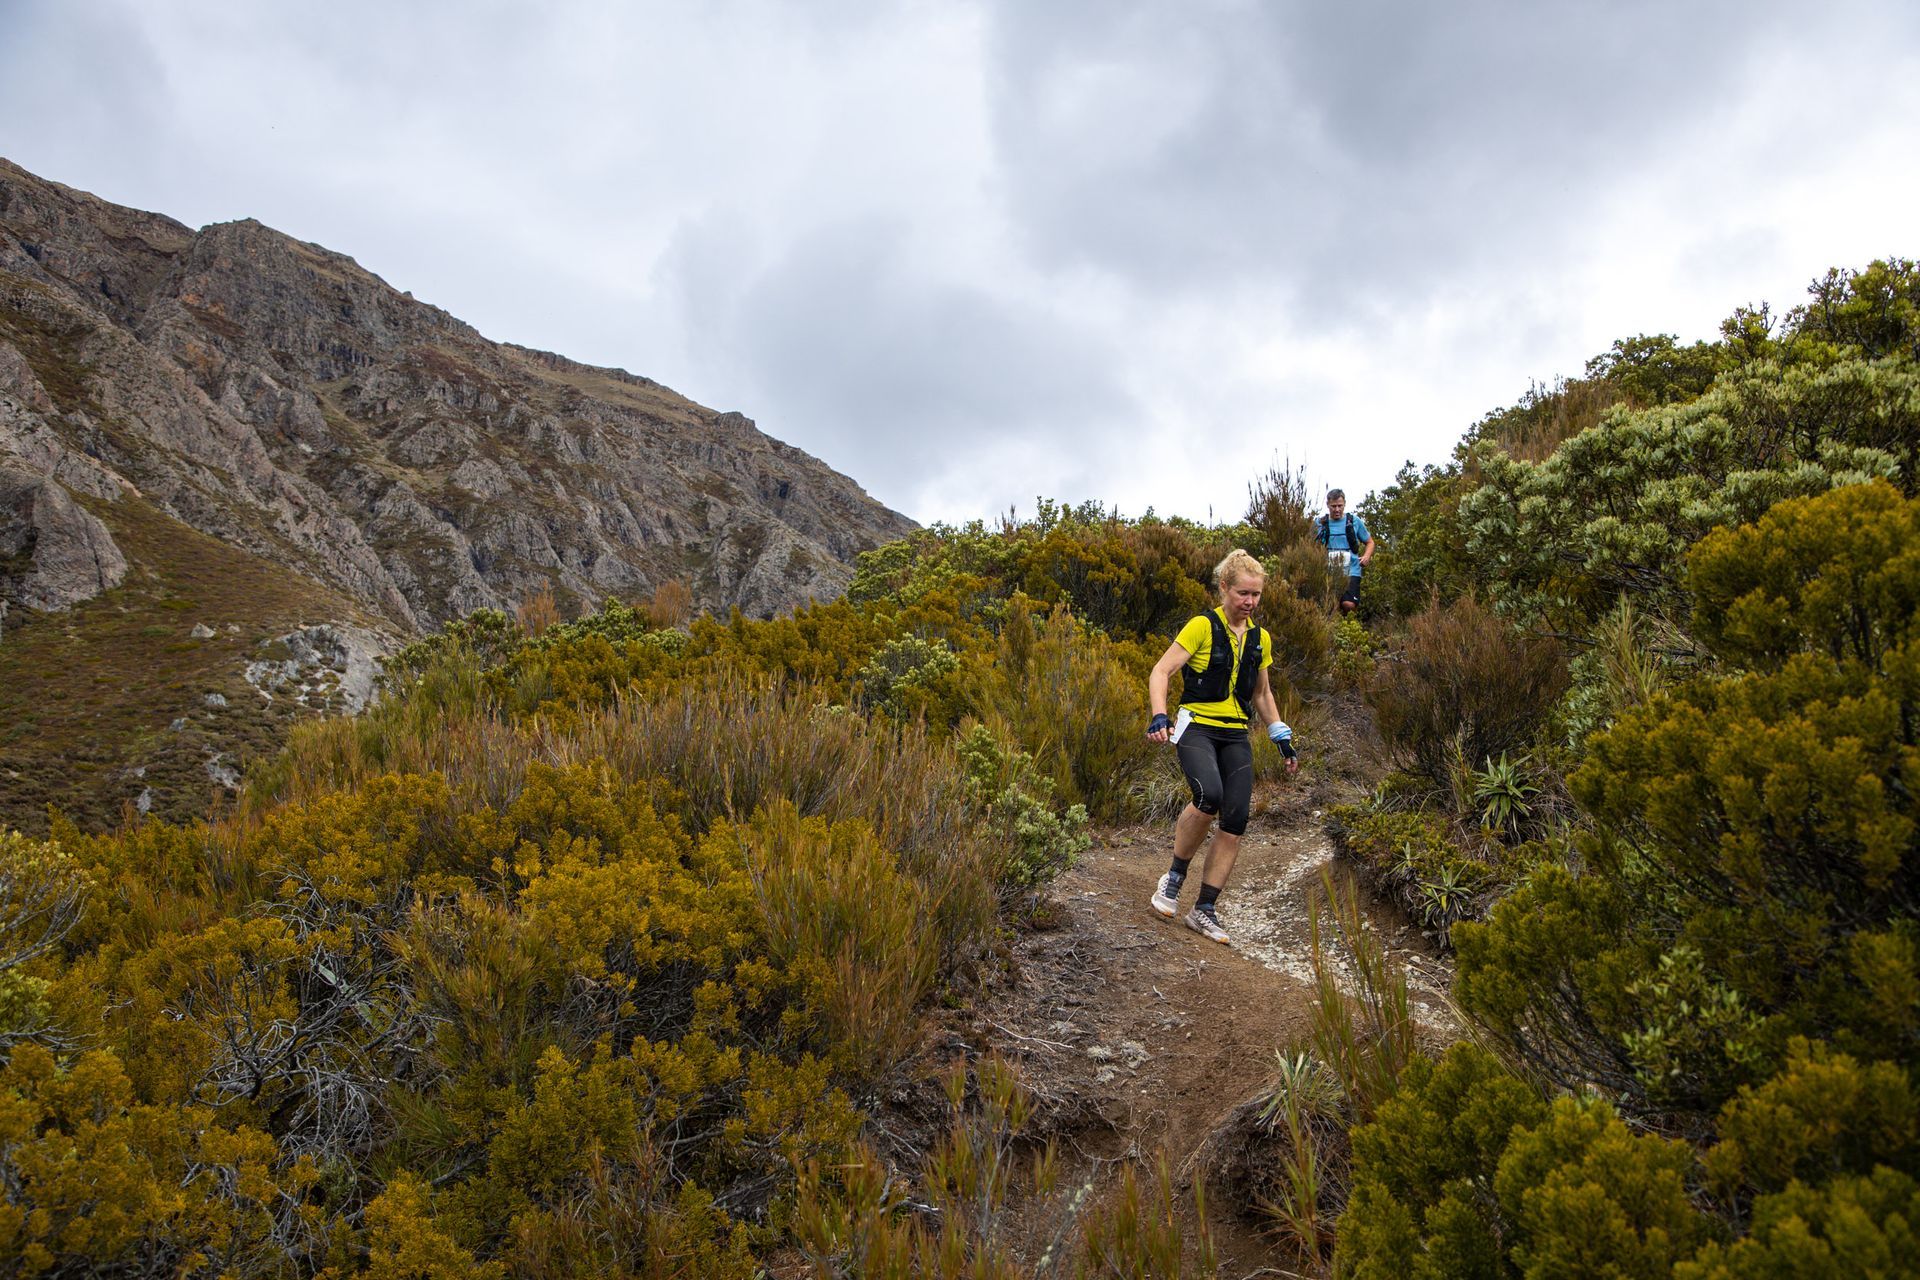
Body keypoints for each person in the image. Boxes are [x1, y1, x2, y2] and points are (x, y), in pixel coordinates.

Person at [1145, 549, 1299, 943]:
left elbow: (1262, 693)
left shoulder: (1260, 639)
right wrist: (1159, 714)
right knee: (1207, 795)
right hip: (1196, 727)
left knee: (1236, 819)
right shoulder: (1201, 626)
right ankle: (1173, 879)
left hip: (1235, 733)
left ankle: (1205, 909)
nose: (1249, 602)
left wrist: (1280, 736)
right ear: (1224, 588)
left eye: (1257, 595)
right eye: (1243, 593)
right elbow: (1161, 671)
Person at [1315, 488, 1374, 615]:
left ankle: (1350, 627)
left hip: (1351, 569)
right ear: (1328, 505)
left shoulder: (1354, 521)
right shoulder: (1320, 523)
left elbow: (1370, 542)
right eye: (1333, 506)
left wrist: (1366, 556)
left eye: (1340, 506)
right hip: (1328, 570)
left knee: (1348, 604)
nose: (1337, 510)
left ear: (1344, 504)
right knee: (1328, 605)